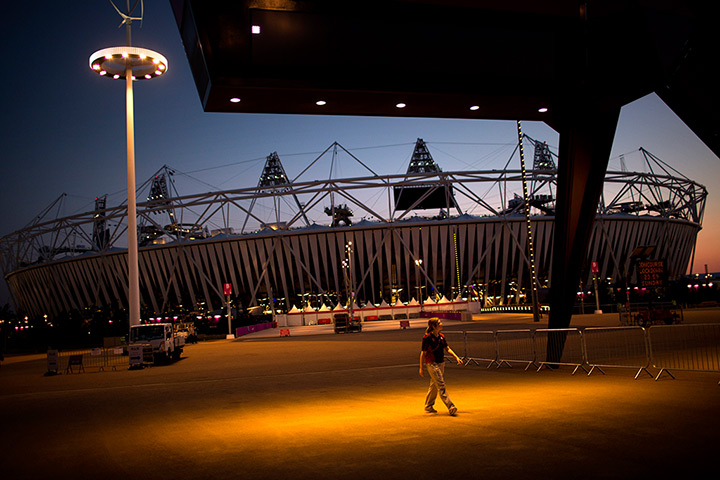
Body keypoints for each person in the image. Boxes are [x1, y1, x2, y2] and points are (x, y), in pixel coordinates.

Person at [419, 317, 463, 415]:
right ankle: (450, 406)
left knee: (434, 385)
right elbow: (423, 353)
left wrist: (456, 357)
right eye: (439, 323)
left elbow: (447, 348)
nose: (441, 324)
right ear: (434, 326)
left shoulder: (441, 337)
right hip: (432, 364)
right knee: (441, 384)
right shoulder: (427, 338)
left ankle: (428, 405)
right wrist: (421, 368)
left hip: (441, 363)